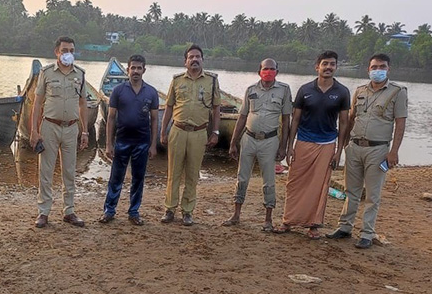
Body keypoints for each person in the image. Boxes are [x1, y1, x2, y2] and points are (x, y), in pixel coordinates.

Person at [327, 53, 407, 248]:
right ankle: (345, 227)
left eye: (382, 67)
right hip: (355, 147)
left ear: (388, 69)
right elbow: (350, 118)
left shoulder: (397, 92)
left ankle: (367, 233)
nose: (377, 70)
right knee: (351, 191)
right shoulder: (360, 91)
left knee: (372, 195)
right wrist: (343, 146)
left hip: (378, 149)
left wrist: (394, 152)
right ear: (368, 69)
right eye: (374, 67)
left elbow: (400, 123)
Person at [274, 51, 350, 239]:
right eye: (325, 64)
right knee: (295, 182)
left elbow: (344, 124)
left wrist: (338, 151)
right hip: (304, 141)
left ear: (336, 67)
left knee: (320, 186)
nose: (328, 67)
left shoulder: (342, 92)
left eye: (332, 64)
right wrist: (290, 146)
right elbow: (296, 119)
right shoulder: (305, 90)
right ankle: (288, 220)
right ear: (317, 67)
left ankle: (313, 224)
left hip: (327, 144)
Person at [223, 58, 292, 231]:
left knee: (268, 180)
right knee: (242, 177)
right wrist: (233, 143)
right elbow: (242, 117)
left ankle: (268, 219)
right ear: (259, 71)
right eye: (265, 68)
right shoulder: (251, 90)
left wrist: (283, 146)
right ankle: (236, 214)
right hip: (248, 138)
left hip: (270, 140)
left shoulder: (284, 90)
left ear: (277, 70)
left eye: (272, 69)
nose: (268, 71)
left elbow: (286, 119)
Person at [30, 36, 89, 228]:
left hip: (71, 128)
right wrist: (33, 130)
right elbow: (37, 103)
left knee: (69, 171)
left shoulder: (80, 74)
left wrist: (85, 131)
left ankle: (69, 211)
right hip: (49, 126)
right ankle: (43, 212)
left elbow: (82, 103)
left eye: (71, 50)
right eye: (64, 50)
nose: (68, 54)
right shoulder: (46, 73)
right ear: (57, 52)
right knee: (45, 171)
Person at [160, 44, 221, 226]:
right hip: (177, 131)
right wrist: (163, 131)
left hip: (199, 132)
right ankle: (170, 209)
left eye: (198, 57)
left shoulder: (211, 81)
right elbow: (169, 106)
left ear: (202, 60)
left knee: (193, 174)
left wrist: (215, 132)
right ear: (185, 61)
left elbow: (216, 108)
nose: (194, 60)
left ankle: (187, 211)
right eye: (191, 57)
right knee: (173, 173)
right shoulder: (177, 80)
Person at [99, 55, 159, 226]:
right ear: (127, 70)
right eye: (133, 68)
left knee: (138, 179)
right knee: (115, 178)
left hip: (142, 141)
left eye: (139, 68)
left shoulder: (151, 92)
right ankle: (109, 211)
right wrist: (109, 144)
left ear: (144, 70)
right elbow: (111, 118)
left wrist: (153, 145)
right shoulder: (118, 90)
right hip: (122, 141)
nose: (136, 71)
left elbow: (154, 120)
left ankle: (134, 212)